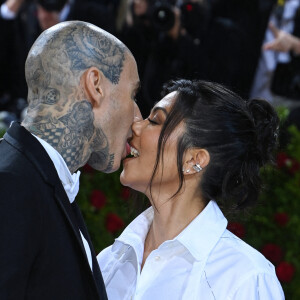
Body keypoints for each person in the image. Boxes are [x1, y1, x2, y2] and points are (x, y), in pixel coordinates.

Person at [97, 79, 284, 299]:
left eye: (155, 121)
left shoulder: (245, 278)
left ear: (194, 160)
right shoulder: (109, 262)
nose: (136, 126)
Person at [0, 20, 141, 299]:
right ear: (95, 85)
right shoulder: (10, 185)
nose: (137, 117)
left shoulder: (37, 180)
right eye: (133, 94)